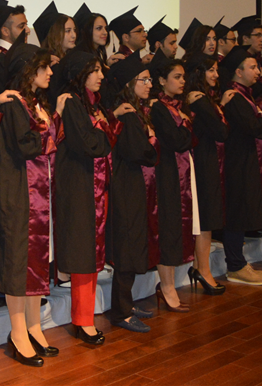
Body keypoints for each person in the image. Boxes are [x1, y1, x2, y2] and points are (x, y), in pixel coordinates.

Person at [0, 37, 59, 365]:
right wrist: (46, 135)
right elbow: (25, 145)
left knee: (37, 257)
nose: (50, 72)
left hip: (40, 193)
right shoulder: (13, 103)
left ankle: (34, 326)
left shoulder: (35, 103)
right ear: (27, 70)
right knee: (19, 259)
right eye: (43, 67)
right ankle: (18, 331)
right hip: (19, 191)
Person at [53, 51, 115, 345]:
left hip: (93, 185)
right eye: (94, 71)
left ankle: (85, 317)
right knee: (82, 252)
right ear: (79, 73)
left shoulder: (91, 104)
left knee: (88, 250)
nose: (101, 76)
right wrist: (105, 130)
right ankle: (82, 320)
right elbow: (89, 144)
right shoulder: (72, 103)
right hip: (77, 185)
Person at [106, 58, 158, 333]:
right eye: (144, 80)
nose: (150, 84)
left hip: (133, 183)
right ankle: (121, 311)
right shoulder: (126, 113)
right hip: (124, 185)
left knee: (134, 241)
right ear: (129, 83)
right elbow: (137, 151)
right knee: (126, 246)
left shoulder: (134, 110)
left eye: (150, 80)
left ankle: (127, 303)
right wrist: (153, 143)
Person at [219, 46, 262, 286]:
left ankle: (239, 262)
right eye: (252, 67)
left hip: (246, 159)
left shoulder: (246, 95)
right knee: (237, 211)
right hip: (236, 161)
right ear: (238, 72)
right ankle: (235, 265)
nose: (258, 71)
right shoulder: (234, 96)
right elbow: (256, 127)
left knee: (242, 208)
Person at [150, 59, 197, 311]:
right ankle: (166, 286)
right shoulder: (158, 108)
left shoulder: (178, 107)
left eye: (183, 77)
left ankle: (169, 285)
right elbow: (177, 140)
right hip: (166, 174)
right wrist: (187, 127)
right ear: (161, 80)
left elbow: (190, 139)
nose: (182, 81)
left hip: (181, 173)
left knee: (176, 225)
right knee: (167, 227)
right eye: (177, 77)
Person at [184, 55, 232, 293]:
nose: (216, 75)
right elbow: (221, 131)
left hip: (203, 158)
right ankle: (203, 270)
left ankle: (199, 267)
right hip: (202, 160)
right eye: (210, 70)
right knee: (205, 215)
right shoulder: (199, 99)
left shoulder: (196, 97)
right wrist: (221, 106)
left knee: (205, 214)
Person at [0, 0, 27, 97]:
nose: (27, 30)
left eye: (26, 25)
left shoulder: (21, 55)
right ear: (5, 31)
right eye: (21, 26)